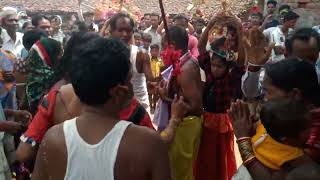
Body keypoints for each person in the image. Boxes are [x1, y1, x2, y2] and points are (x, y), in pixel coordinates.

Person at [31, 37, 172, 180]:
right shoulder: (147, 143)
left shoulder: (53, 138)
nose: (131, 86)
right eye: (129, 80)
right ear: (120, 92)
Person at [17, 32, 154, 164]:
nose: (130, 86)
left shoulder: (54, 97)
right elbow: (154, 151)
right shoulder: (125, 102)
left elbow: (24, 153)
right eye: (129, 79)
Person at [195, 15, 244, 180]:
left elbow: (241, 61)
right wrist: (209, 25)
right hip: (206, 116)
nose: (215, 69)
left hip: (222, 119)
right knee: (205, 151)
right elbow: (201, 48)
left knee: (220, 152)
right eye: (214, 65)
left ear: (227, 66)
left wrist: (239, 30)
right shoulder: (208, 70)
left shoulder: (231, 77)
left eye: (220, 66)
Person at [154, 26, 203, 180]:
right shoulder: (184, 62)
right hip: (185, 124)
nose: (162, 51)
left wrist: (165, 98)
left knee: (179, 172)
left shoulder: (185, 69)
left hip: (185, 126)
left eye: (163, 46)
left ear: (172, 45)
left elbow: (196, 107)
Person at [230, 98, 320, 180]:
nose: (312, 129)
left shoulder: (268, 124)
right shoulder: (293, 157)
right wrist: (243, 138)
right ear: (285, 139)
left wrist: (243, 138)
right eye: (307, 128)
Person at [109, 13, 153, 113]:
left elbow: (150, 80)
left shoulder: (141, 54)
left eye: (128, 31)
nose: (124, 34)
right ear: (111, 31)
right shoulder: (104, 54)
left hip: (139, 108)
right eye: (120, 30)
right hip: (114, 108)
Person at [25, 38, 62, 114]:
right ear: (49, 54)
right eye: (58, 53)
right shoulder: (50, 76)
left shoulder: (33, 70)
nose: (60, 57)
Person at [149, 44, 163, 112]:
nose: (154, 52)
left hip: (157, 80)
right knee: (149, 93)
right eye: (152, 51)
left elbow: (161, 71)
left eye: (156, 51)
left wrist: (159, 81)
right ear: (150, 51)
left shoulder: (160, 61)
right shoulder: (148, 60)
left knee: (155, 94)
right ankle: (151, 106)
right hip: (149, 79)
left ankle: (154, 106)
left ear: (158, 52)